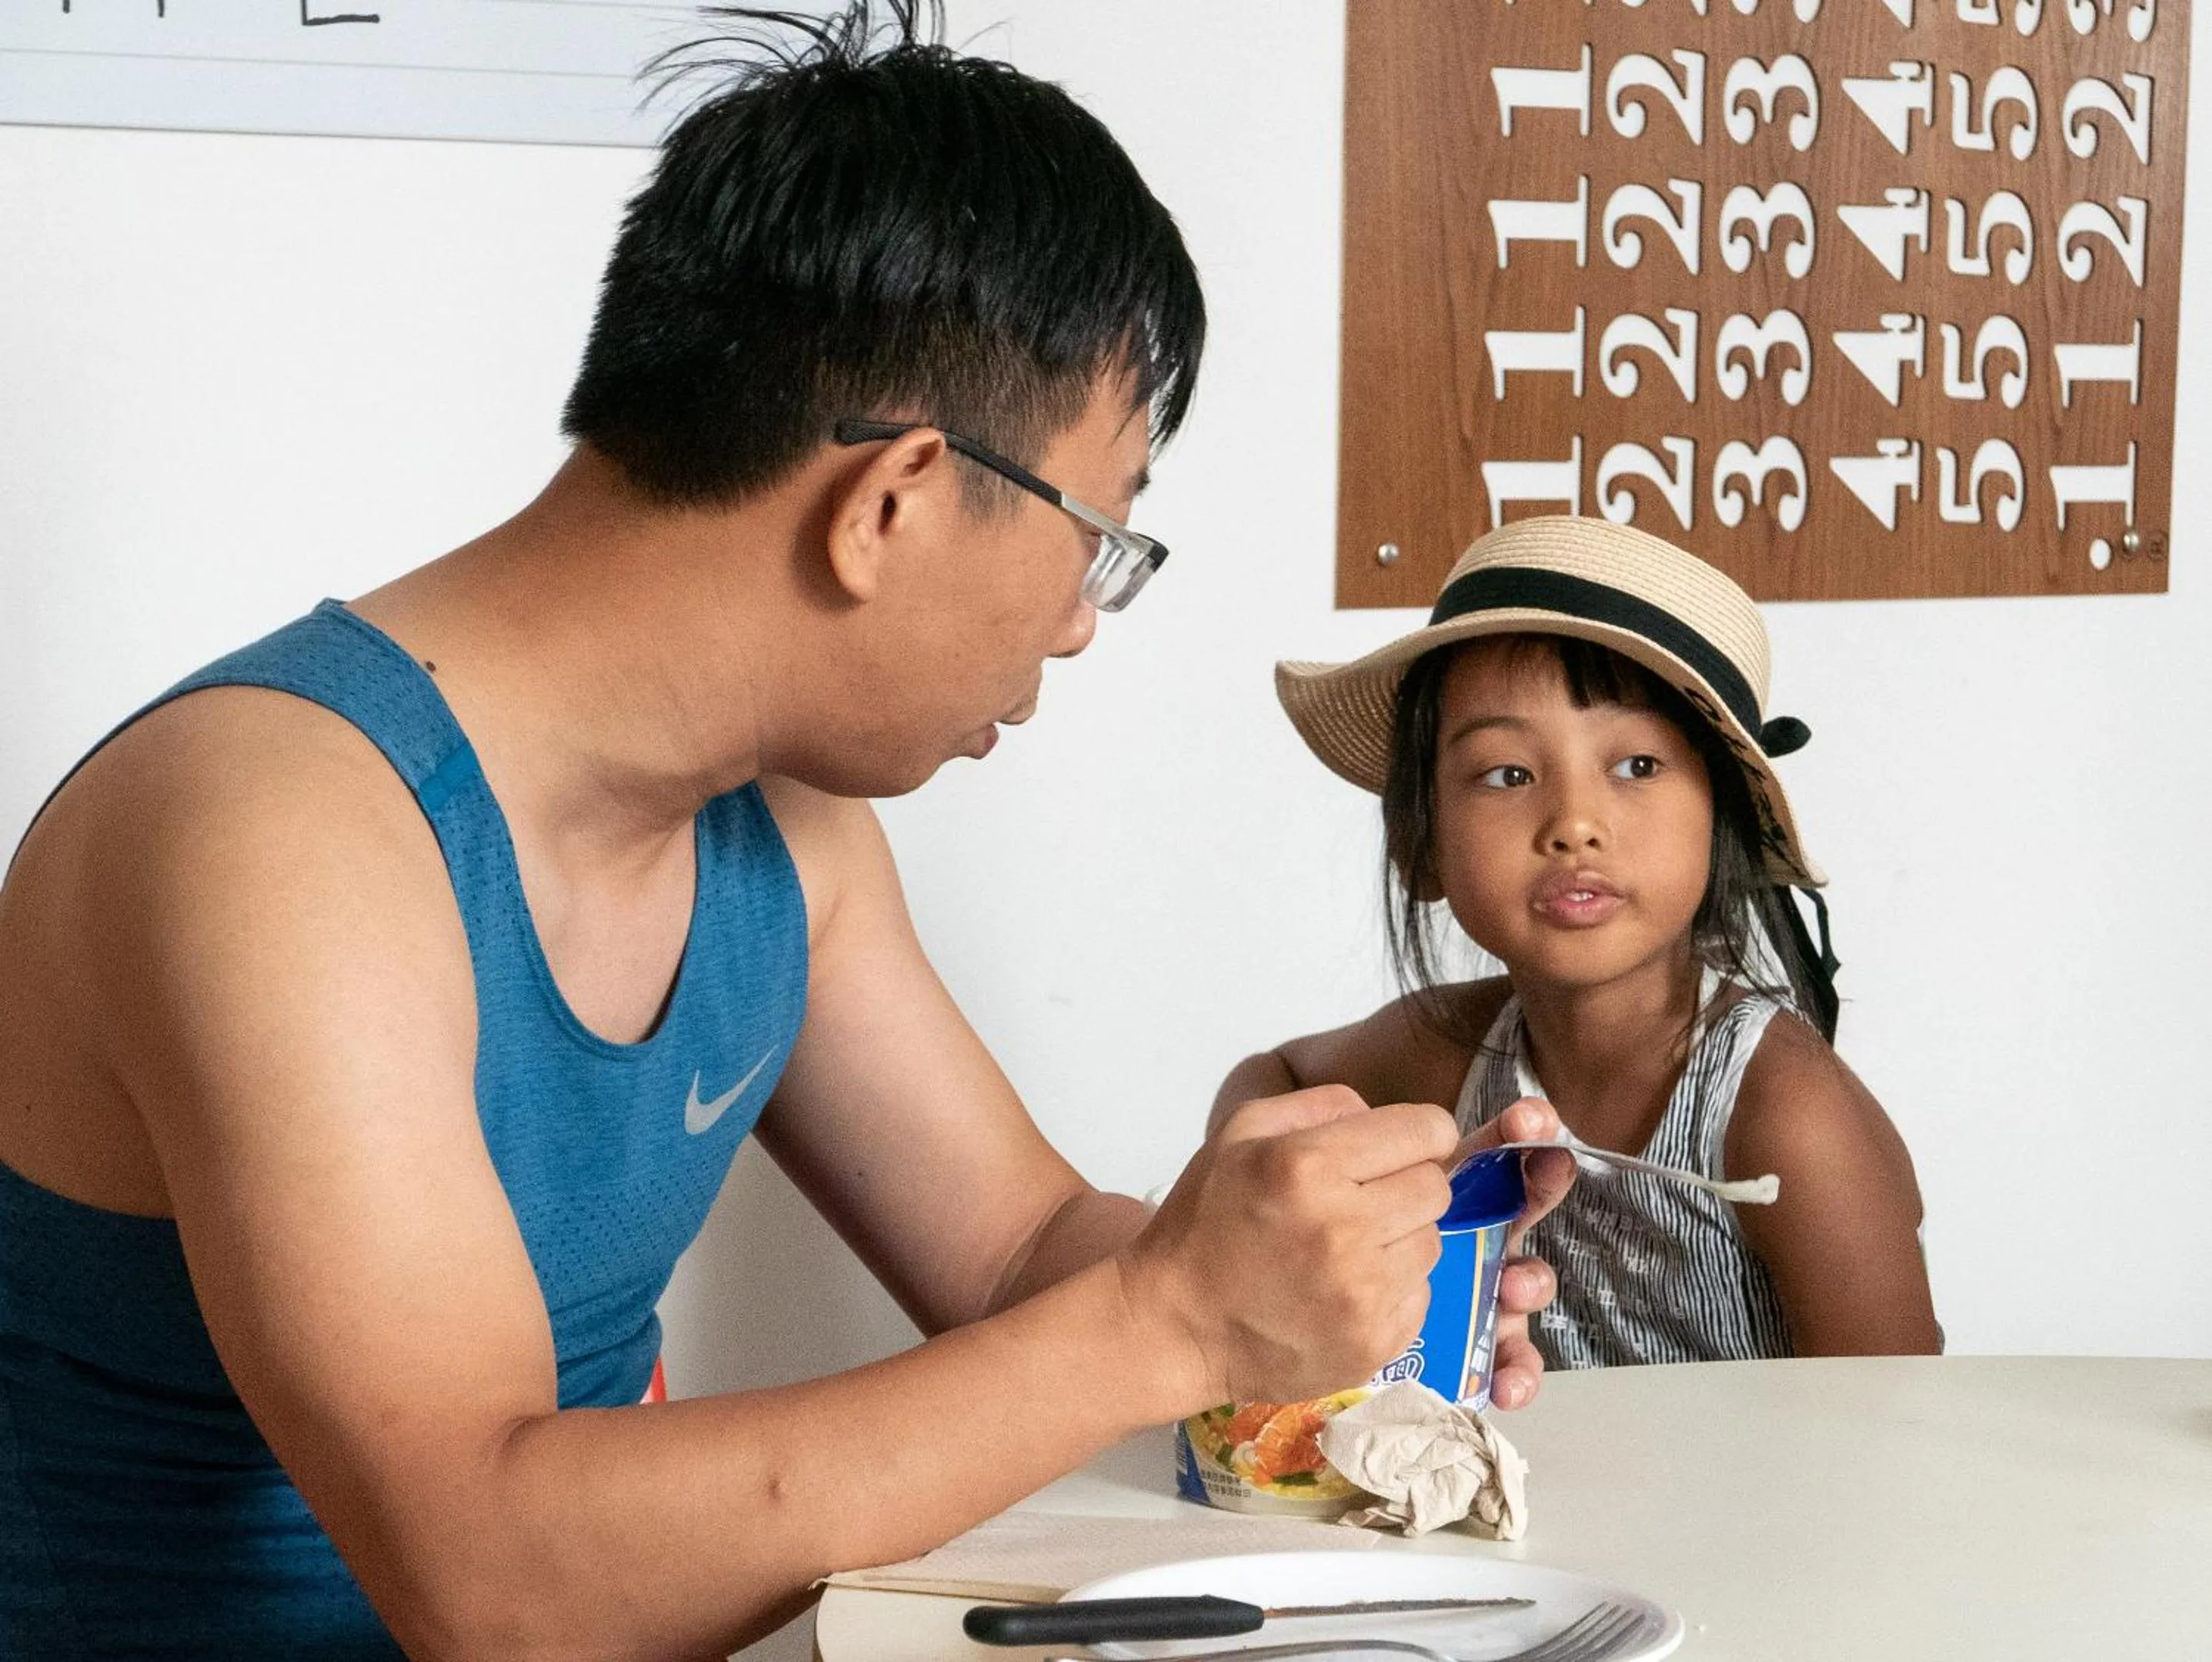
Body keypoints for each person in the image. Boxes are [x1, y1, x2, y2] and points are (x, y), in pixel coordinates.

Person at [0, 7, 1570, 1658]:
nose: (1082, 625)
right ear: (890, 500)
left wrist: (1323, 1286)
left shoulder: (787, 845)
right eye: (1101, 538)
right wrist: (1173, 1321)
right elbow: (485, 1580)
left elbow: (1026, 1249)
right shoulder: (276, 836)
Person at [1218, 516, 1943, 1368]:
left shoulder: (1782, 1114)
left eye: (1636, 765)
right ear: (1423, 847)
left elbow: (1894, 1423)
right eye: (1507, 774)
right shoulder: (1449, 1057)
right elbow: (1271, 1082)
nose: (1573, 825)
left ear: (1722, 827)